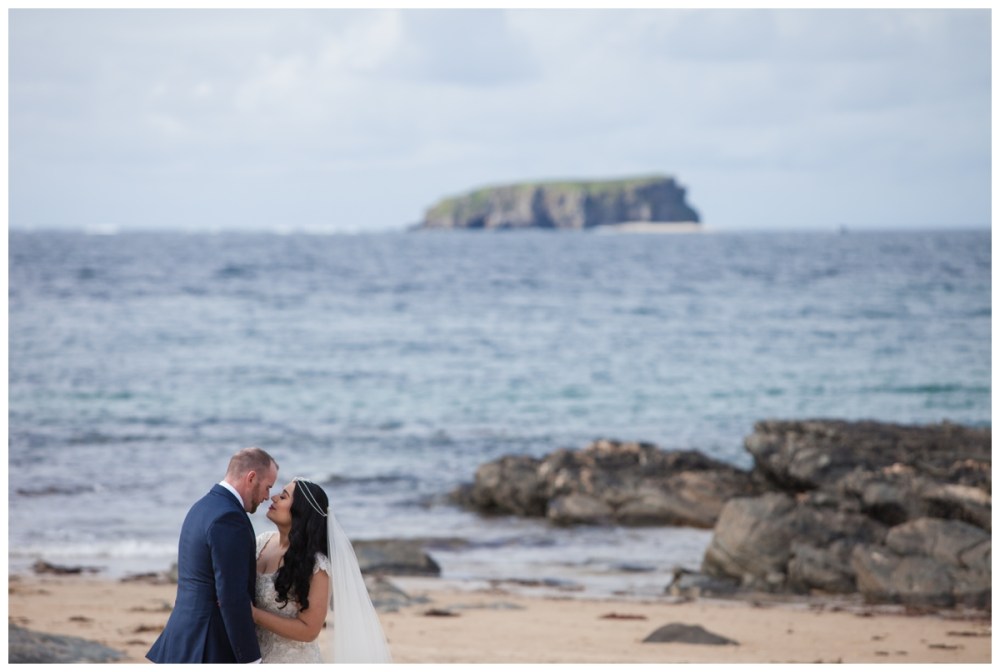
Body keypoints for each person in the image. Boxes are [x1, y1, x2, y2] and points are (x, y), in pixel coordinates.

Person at [147, 447, 279, 664]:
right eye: (268, 487)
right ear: (252, 478)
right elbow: (231, 595)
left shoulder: (202, 506)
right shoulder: (229, 518)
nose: (266, 497)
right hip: (208, 646)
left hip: (182, 640)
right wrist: (250, 660)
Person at [252, 477, 392, 663]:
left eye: (283, 497)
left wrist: (253, 614)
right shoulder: (262, 542)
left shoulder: (316, 565)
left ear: (301, 512)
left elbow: (309, 630)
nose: (274, 498)